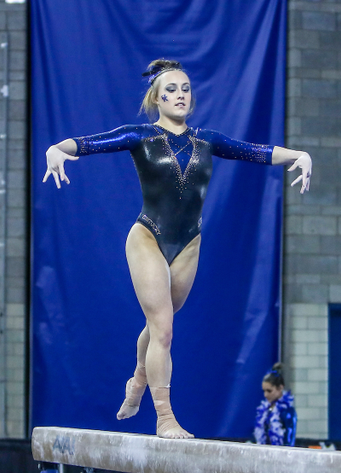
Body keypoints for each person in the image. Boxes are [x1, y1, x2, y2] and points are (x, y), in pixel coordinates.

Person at [43, 59, 312, 439]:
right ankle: (165, 418)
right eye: (170, 90)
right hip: (147, 237)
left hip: (189, 244)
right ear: (156, 97)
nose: (179, 95)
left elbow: (256, 151)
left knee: (159, 326)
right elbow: (89, 143)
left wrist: (299, 155)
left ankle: (138, 379)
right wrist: (57, 149)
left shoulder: (208, 140)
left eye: (185, 88)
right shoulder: (140, 135)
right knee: (164, 330)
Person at [253, 363, 297, 446]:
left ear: (280, 388)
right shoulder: (266, 410)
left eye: (269, 391)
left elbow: (289, 442)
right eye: (264, 391)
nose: (265, 395)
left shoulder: (287, 411)